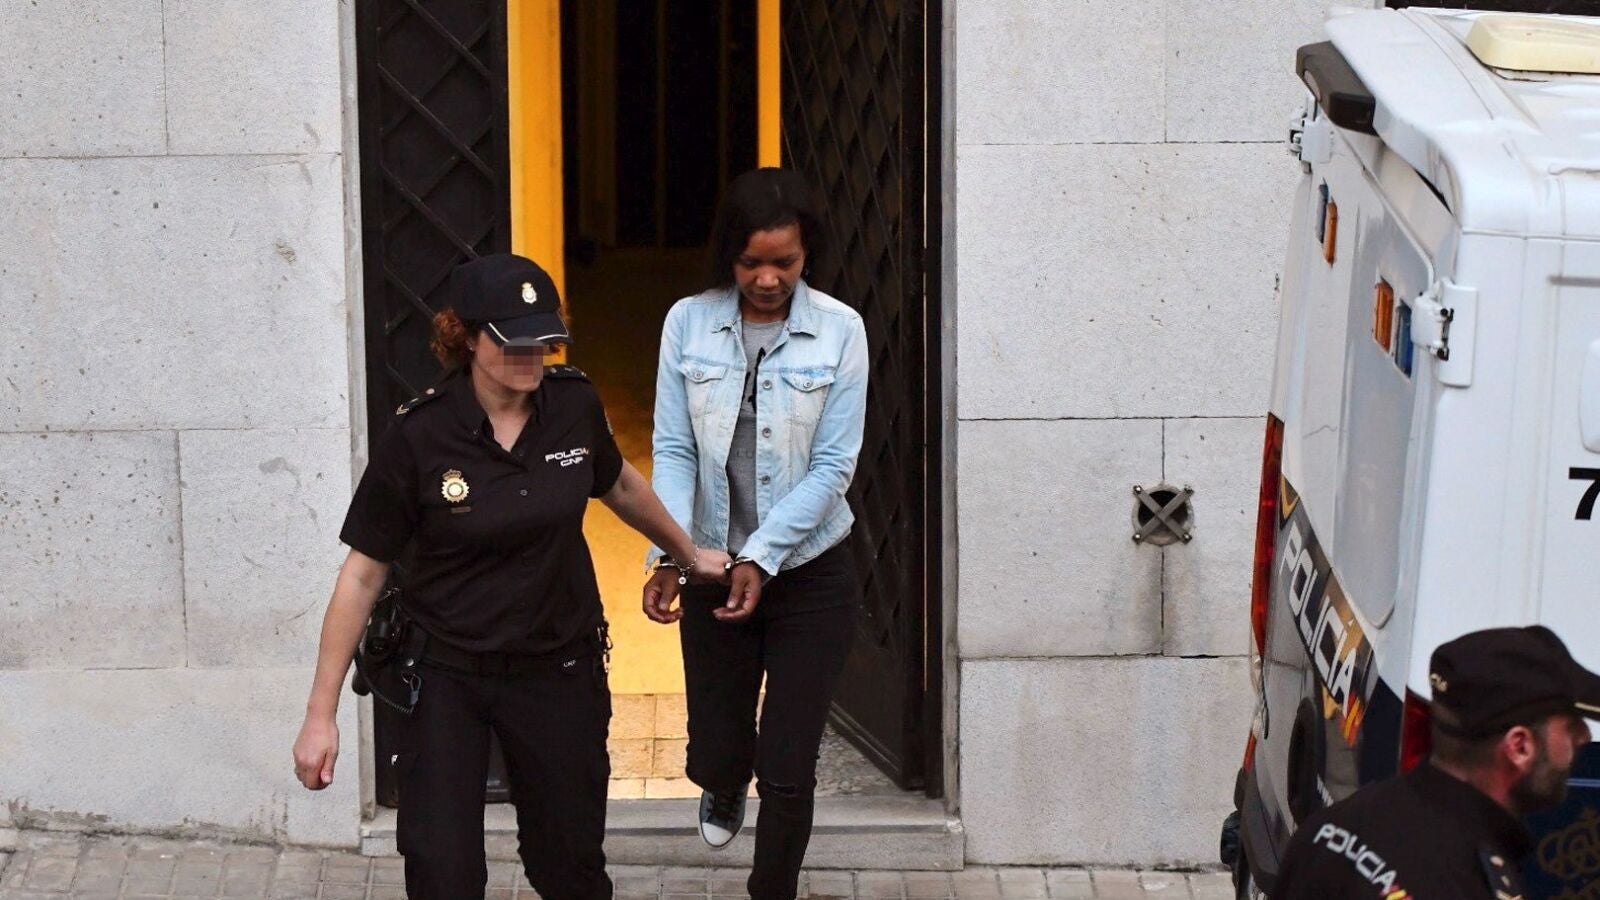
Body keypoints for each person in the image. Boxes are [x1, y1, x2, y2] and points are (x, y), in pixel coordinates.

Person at [290, 253, 729, 900]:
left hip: (558, 666)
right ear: (466, 337)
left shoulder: (573, 403)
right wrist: (319, 716)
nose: (532, 356)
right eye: (511, 340)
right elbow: (362, 574)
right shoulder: (419, 435)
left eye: (542, 339)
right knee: (442, 872)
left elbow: (619, 484)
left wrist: (686, 555)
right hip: (446, 673)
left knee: (569, 865)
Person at [641, 167, 870, 900]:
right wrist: (670, 553)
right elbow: (674, 450)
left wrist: (764, 555)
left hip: (812, 572)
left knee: (789, 764)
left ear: (807, 255)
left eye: (785, 262)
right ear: (727, 255)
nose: (768, 279)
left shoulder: (840, 330)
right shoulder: (687, 323)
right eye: (750, 263)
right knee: (718, 743)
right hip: (711, 564)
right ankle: (721, 779)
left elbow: (833, 467)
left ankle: (771, 888)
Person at [1273, 625, 1599, 899]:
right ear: (1520, 746)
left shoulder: (1332, 827)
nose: (1584, 738)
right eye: (1572, 727)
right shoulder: (1462, 882)